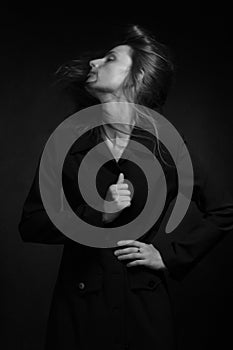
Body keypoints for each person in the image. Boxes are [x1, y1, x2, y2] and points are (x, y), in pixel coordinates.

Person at [18, 25, 233, 350]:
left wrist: (170, 258)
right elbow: (31, 224)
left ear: (137, 78)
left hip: (143, 309)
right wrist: (97, 214)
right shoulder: (65, 142)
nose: (94, 62)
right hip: (79, 307)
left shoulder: (168, 146)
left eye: (110, 58)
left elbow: (223, 209)